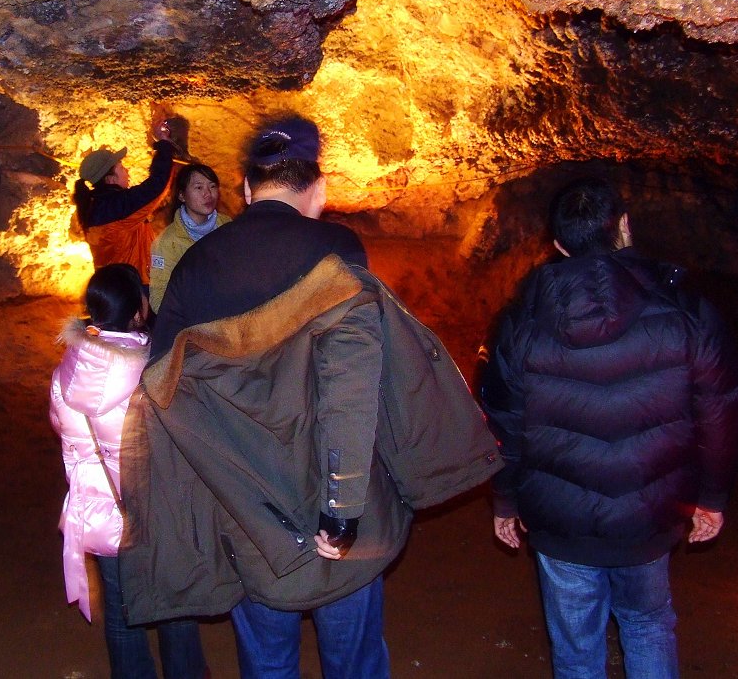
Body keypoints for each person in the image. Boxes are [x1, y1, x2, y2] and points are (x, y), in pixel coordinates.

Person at [118, 115, 502, 679]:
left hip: (250, 512)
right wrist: (342, 509)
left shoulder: (195, 267)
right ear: (318, 190)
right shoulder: (338, 253)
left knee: (269, 663)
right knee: (354, 662)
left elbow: (165, 394)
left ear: (247, 191)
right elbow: (350, 383)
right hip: (339, 507)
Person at [480, 177, 738, 678]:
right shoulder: (686, 315)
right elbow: (719, 410)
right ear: (624, 227)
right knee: (647, 626)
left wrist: (507, 501)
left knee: (577, 644)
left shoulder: (519, 326)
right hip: (648, 515)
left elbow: (503, 424)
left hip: (561, 519)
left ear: (557, 246)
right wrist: (712, 495)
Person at [49, 264, 208, 679]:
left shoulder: (67, 369)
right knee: (176, 606)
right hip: (155, 513)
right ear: (138, 312)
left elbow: (67, 436)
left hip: (100, 513)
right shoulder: (152, 370)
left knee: (122, 618)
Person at [74, 118, 184, 287]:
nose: (127, 170)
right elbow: (156, 186)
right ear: (110, 179)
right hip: (131, 287)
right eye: (121, 168)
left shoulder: (97, 205)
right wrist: (163, 144)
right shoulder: (116, 207)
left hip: (116, 285)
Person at [148, 163, 231, 313]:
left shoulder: (228, 227)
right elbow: (159, 297)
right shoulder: (167, 242)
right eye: (199, 187)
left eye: (212, 186)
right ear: (182, 195)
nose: (208, 194)